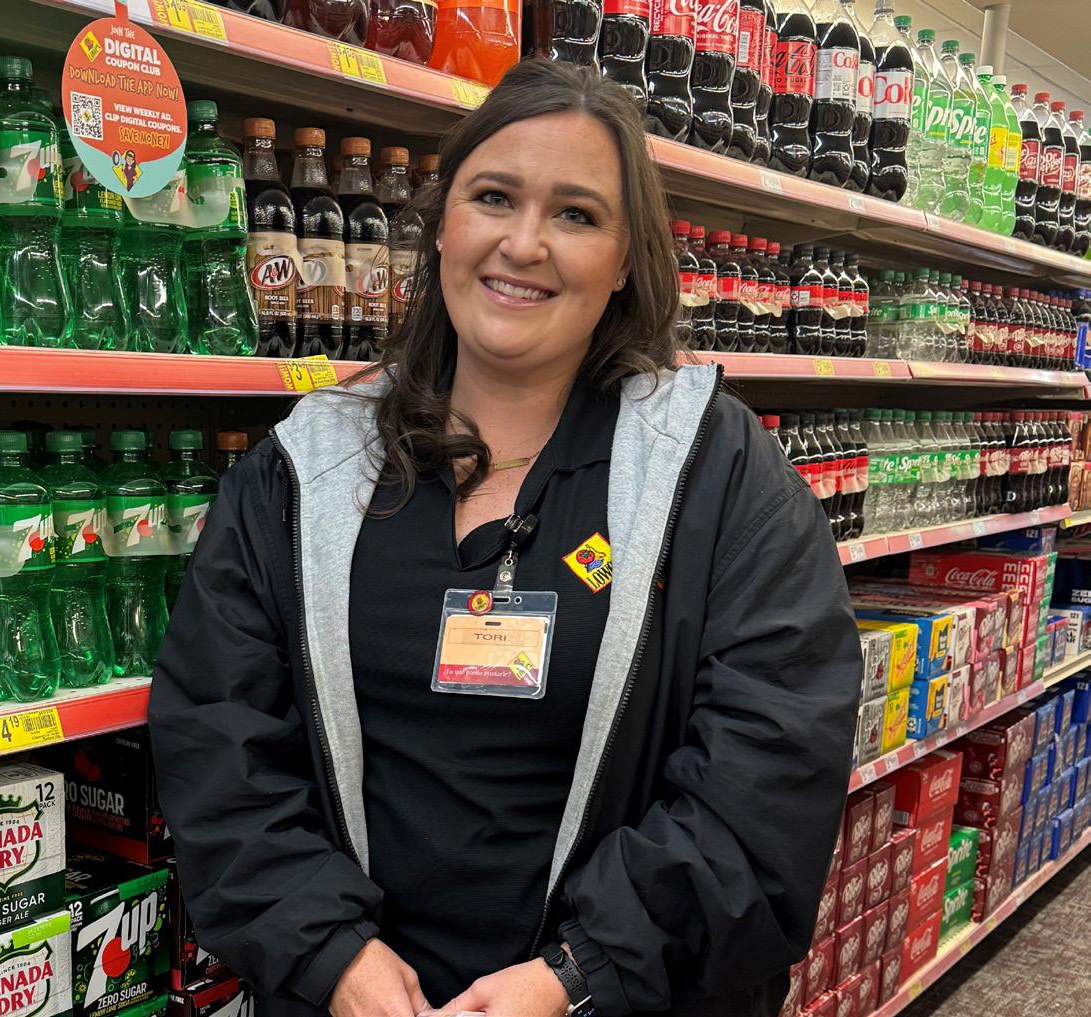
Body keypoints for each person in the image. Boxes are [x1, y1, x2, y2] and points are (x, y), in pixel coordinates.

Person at [149, 59, 861, 1017]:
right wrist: (330, 954)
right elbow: (216, 735)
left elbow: (772, 767)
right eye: (493, 197)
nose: (523, 244)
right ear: (442, 222)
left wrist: (578, 974)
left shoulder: (716, 470)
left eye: (576, 214)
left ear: (625, 262)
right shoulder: (303, 468)